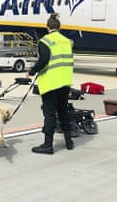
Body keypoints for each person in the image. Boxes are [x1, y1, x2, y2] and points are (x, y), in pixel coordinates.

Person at [26, 13, 74, 154]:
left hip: (51, 83)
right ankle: (69, 141)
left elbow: (43, 60)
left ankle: (48, 145)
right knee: (63, 111)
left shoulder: (45, 41)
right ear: (59, 27)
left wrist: (32, 71)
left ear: (48, 28)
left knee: (50, 114)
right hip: (65, 82)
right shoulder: (67, 41)